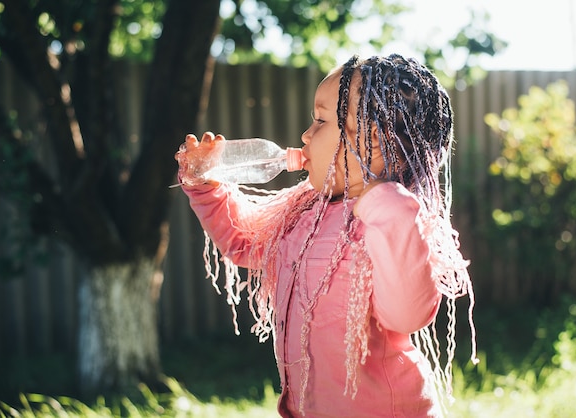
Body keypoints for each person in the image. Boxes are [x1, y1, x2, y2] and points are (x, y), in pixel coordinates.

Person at [175, 54, 476, 417]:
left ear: (374, 142)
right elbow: (243, 241)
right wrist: (206, 186)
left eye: (320, 120)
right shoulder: (303, 212)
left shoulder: (393, 221)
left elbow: (407, 316)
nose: (305, 135)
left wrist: (390, 209)